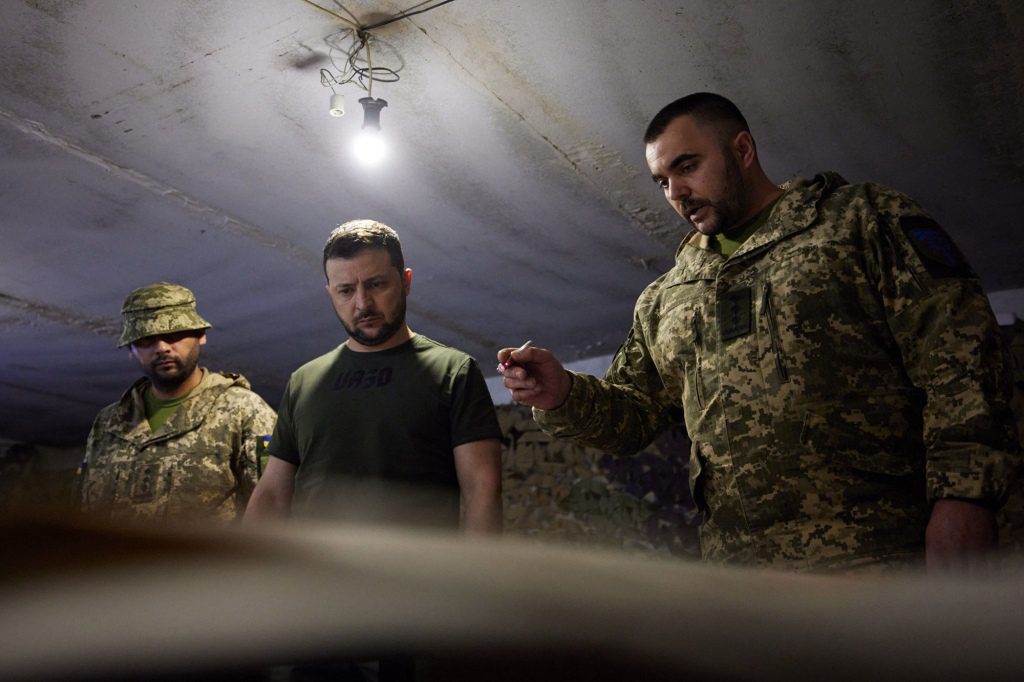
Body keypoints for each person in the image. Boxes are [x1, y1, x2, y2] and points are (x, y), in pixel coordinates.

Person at [499, 92, 1019, 572]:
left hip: (878, 554)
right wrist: (560, 393)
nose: (676, 192)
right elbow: (630, 419)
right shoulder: (665, 298)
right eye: (662, 181)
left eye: (687, 166)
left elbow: (960, 354)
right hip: (743, 579)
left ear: (742, 149)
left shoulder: (858, 222)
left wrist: (965, 498)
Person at [244, 220, 503, 533]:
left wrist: (477, 578)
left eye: (376, 284)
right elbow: (272, 493)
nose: (362, 303)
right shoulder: (303, 381)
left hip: (412, 577)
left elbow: (482, 489)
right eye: (346, 290)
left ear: (405, 281)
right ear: (330, 293)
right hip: (315, 576)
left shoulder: (454, 371)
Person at [80, 282, 277, 524]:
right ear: (131, 349)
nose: (162, 348)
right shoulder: (110, 423)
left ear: (200, 335)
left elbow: (274, 509)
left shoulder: (242, 410)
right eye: (146, 340)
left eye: (173, 335)